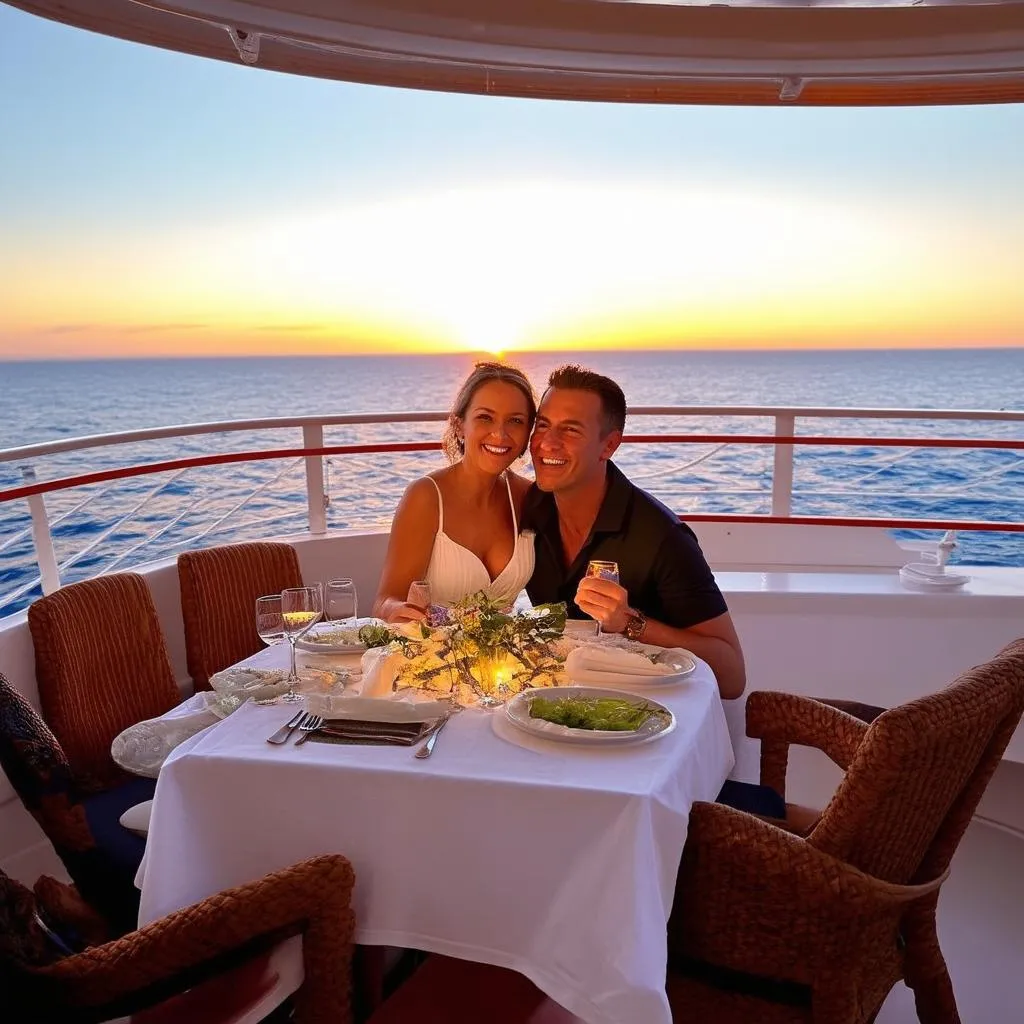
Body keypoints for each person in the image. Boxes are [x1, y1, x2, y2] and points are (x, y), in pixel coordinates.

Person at [523, 364, 746, 699]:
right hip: (558, 701)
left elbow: (732, 676)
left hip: (652, 713)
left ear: (609, 445)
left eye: (570, 430)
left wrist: (630, 623)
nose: (546, 443)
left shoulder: (661, 537)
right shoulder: (527, 508)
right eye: (542, 425)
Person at [373, 361, 537, 623]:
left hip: (504, 659)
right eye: (485, 417)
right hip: (431, 655)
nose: (500, 433)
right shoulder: (426, 496)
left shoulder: (528, 496)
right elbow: (385, 601)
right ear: (460, 426)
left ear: (528, 433)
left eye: (515, 421)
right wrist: (395, 609)